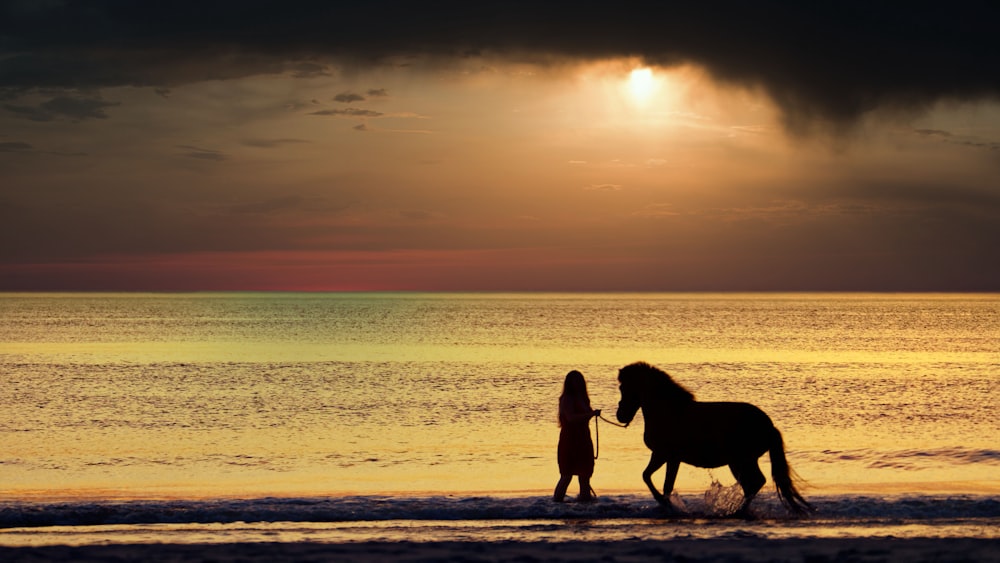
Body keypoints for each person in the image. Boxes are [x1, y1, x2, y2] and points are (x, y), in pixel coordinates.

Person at [553, 370, 600, 502]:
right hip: (569, 441)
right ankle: (556, 506)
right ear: (569, 383)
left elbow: (583, 418)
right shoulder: (566, 399)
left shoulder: (584, 399)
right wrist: (590, 414)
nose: (578, 384)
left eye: (580, 381)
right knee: (566, 475)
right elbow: (571, 418)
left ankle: (585, 507)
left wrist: (591, 414)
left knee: (585, 476)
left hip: (584, 440)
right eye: (575, 381)